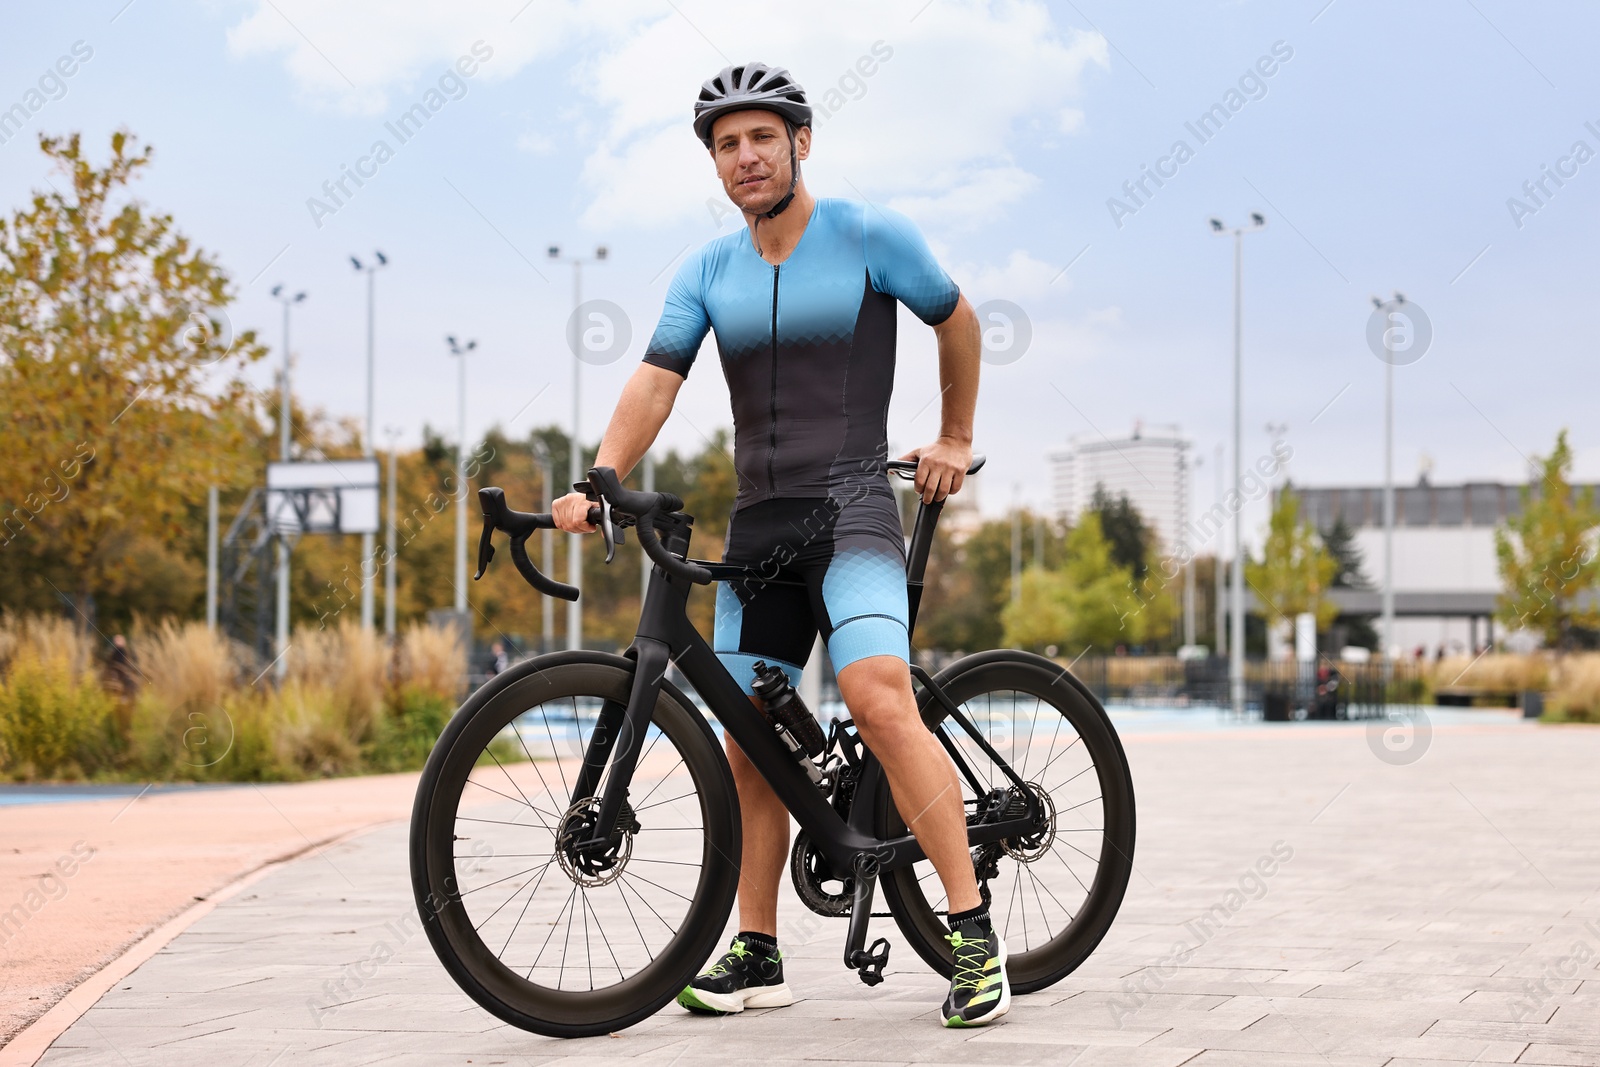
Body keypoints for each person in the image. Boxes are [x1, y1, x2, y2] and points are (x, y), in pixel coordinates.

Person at [552, 62, 1004, 1028]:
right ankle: (757, 951)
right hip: (759, 523)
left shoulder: (869, 234)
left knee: (880, 697)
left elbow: (957, 317)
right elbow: (658, 377)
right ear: (715, 165)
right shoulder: (707, 271)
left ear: (802, 142)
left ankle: (971, 932)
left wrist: (957, 438)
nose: (746, 156)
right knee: (748, 741)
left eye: (762, 137)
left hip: (851, 510)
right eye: (727, 145)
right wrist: (599, 475)